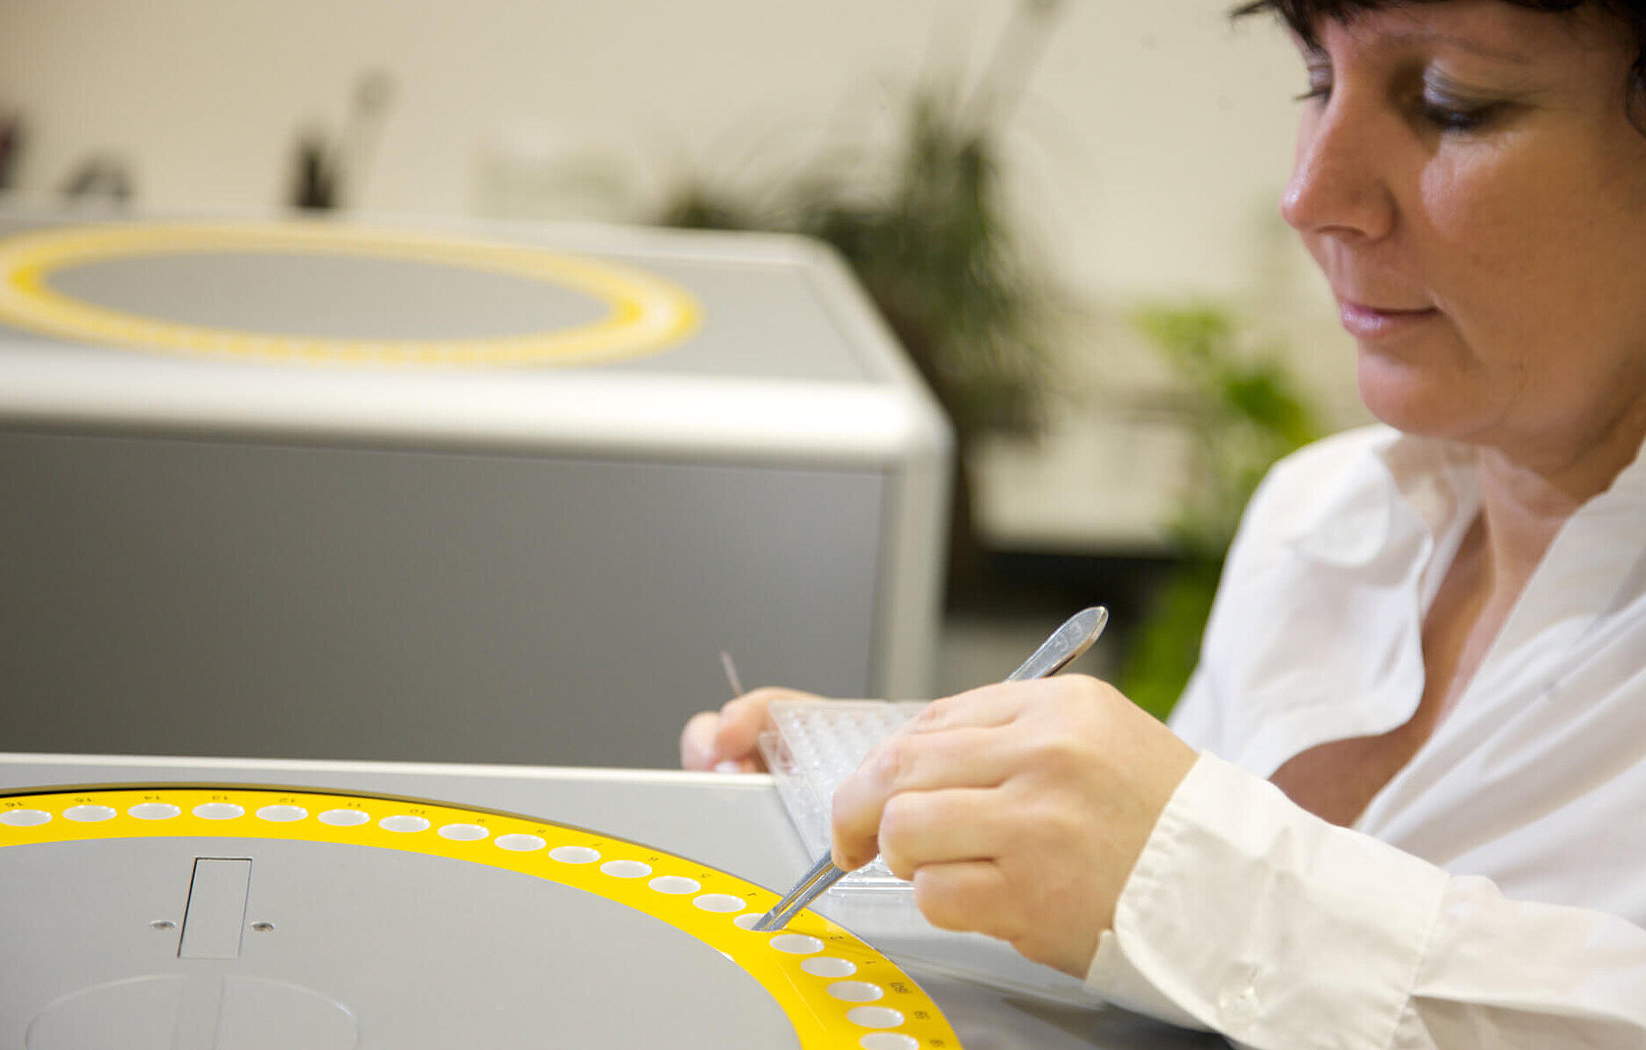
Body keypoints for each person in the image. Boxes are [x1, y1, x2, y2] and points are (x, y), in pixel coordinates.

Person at [682, 0, 1646, 1045]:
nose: (1309, 194)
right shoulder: (1325, 522)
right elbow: (1186, 977)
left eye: (1451, 106)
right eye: (1317, 82)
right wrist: (961, 813)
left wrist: (1183, 872)